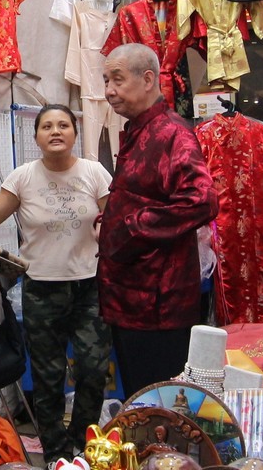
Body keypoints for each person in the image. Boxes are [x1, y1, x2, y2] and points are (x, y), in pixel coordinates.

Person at [0, 104, 112, 460]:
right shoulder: (22, 177)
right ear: (37, 137)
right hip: (42, 289)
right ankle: (56, 455)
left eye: (63, 125)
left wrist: (107, 229)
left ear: (75, 134)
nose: (56, 131)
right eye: (47, 126)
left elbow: (114, 217)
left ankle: (84, 446)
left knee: (93, 372)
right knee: (48, 378)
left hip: (90, 287)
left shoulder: (95, 172)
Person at [98, 43, 218, 396]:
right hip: (129, 299)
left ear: (148, 79)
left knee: (160, 405)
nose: (109, 91)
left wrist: (132, 227)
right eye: (106, 81)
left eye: (117, 80)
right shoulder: (139, 130)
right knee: (139, 401)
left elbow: (202, 200)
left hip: (157, 305)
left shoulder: (171, 132)